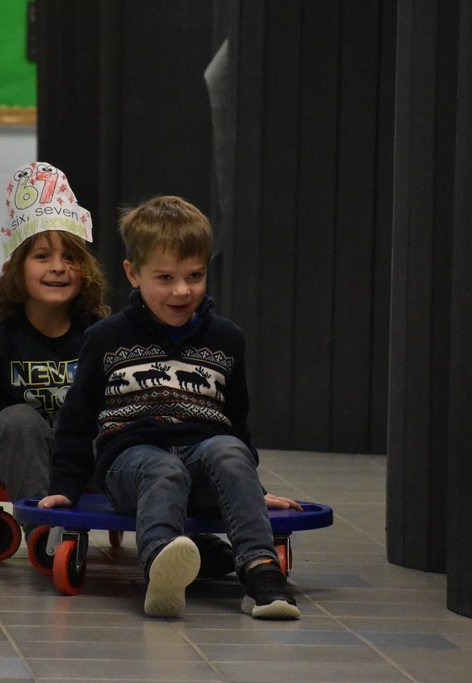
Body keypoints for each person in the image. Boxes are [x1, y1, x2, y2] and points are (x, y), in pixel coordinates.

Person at [38, 196, 303, 619]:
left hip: (204, 459)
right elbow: (77, 417)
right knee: (164, 468)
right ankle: (163, 564)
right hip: (131, 462)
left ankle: (261, 571)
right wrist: (66, 486)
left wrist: (252, 488)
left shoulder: (227, 339)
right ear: (133, 274)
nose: (182, 291)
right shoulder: (106, 338)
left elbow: (237, 422)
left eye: (194, 276)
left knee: (228, 450)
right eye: (165, 278)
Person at [0, 162, 108, 542]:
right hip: (10, 448)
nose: (59, 268)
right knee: (20, 419)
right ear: (16, 269)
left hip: (75, 452)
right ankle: (45, 532)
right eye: (43, 257)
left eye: (71, 258)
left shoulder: (97, 331)